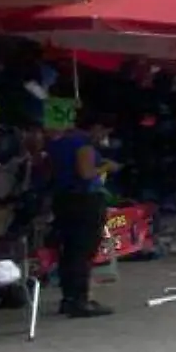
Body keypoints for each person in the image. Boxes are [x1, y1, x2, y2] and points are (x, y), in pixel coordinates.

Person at [47, 112, 118, 318]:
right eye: (103, 131)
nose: (103, 136)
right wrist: (106, 166)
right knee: (83, 251)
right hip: (84, 201)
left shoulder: (59, 141)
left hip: (63, 199)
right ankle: (80, 299)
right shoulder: (83, 144)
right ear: (95, 127)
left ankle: (68, 297)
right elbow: (86, 173)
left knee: (68, 251)